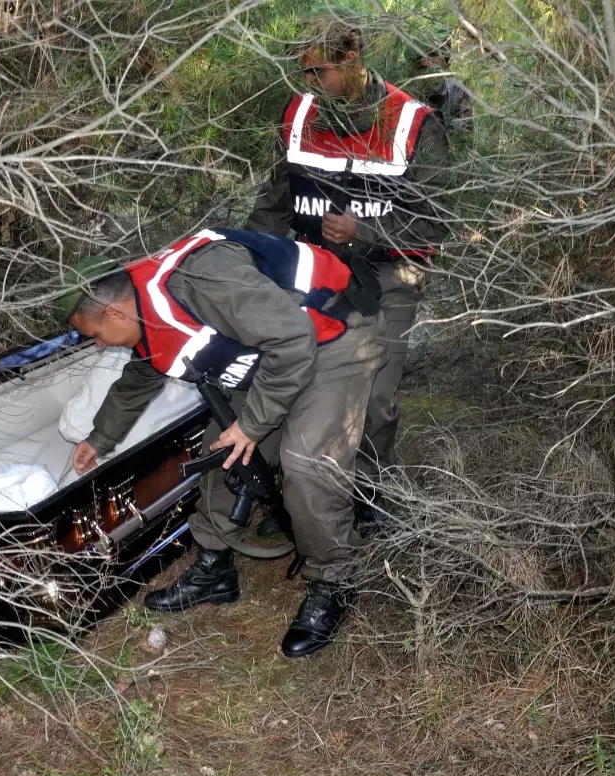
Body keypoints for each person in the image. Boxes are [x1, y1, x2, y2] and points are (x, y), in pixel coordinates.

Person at [51, 228, 385, 658]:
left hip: (334, 338)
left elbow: (294, 339)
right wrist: (100, 438)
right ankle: (215, 569)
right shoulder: (144, 306)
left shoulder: (203, 280)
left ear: (115, 313)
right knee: (219, 453)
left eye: (95, 335)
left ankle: (336, 576)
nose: (97, 345)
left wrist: (253, 424)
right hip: (275, 354)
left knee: (305, 464)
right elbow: (147, 369)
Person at [245, 19, 450, 527]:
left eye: (321, 71)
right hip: (314, 268)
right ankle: (307, 490)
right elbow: (274, 203)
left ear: (354, 61)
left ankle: (371, 490)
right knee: (303, 376)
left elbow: (433, 222)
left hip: (389, 272)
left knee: (376, 395)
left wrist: (364, 233)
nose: (310, 83)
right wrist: (249, 258)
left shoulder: (413, 123)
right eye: (303, 72)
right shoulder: (298, 115)